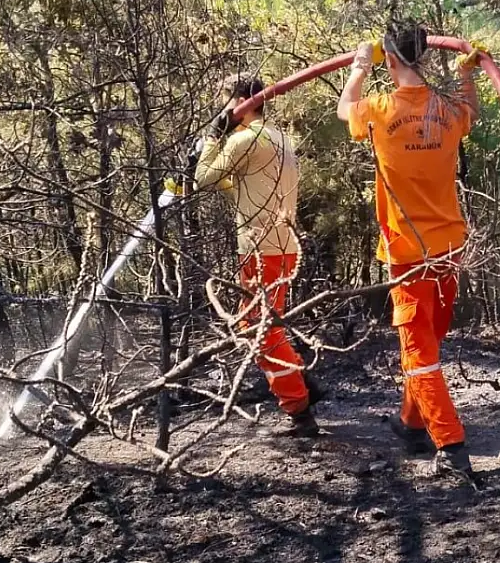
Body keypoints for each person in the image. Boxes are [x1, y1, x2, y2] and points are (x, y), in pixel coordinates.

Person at [336, 25, 482, 482]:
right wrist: (464, 73)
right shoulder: (446, 108)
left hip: (407, 252)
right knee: (429, 340)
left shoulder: (379, 108)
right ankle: (411, 423)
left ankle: (451, 446)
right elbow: (470, 110)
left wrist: (360, 67)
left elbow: (345, 109)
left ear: (391, 59)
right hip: (450, 248)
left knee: (418, 352)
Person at [195, 72, 322, 437]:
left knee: (258, 330)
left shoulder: (244, 141)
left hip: (261, 249)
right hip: (280, 245)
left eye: (225, 101)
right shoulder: (278, 138)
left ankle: (299, 408)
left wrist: (213, 138)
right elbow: (245, 188)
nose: (222, 109)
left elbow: (203, 178)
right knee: (268, 326)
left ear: (239, 103)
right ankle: (303, 386)